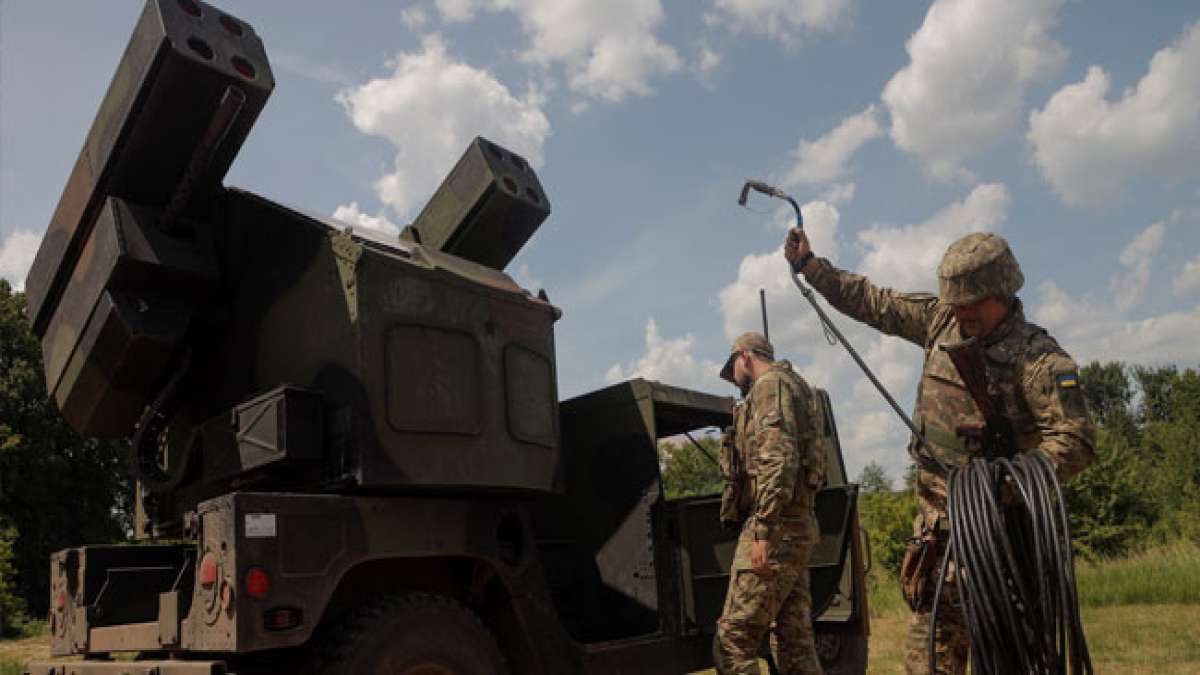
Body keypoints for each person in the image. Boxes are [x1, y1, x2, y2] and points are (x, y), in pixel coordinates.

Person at [784, 229, 1095, 674]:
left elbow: (1077, 440)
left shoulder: (1039, 359)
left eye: (971, 303)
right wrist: (813, 268)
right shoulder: (940, 321)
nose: (961, 312)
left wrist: (1005, 482)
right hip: (935, 550)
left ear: (1001, 293)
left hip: (1002, 551)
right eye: (956, 302)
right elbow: (874, 302)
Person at [713, 332, 824, 675]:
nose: (735, 381)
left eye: (733, 370)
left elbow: (778, 459)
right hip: (798, 525)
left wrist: (763, 529)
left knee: (733, 641)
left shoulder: (768, 386)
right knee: (795, 642)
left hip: (776, 530)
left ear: (744, 357)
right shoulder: (798, 386)